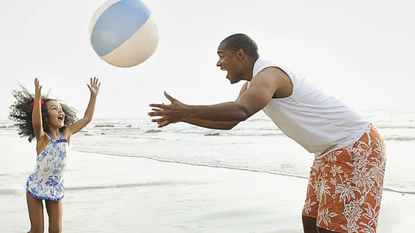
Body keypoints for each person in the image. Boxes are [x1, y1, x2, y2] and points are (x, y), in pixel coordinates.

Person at [148, 33, 386, 233]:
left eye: (222, 56)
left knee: (334, 228)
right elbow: (230, 121)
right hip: (328, 153)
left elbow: (241, 111)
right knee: (311, 221)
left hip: (355, 146)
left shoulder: (269, 75)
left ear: (240, 54)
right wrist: (183, 117)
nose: (219, 64)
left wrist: (186, 109)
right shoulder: (252, 85)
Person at [9, 77, 100, 233]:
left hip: (54, 187)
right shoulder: (43, 138)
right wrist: (38, 99)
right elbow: (36, 123)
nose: (60, 111)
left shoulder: (67, 134)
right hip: (36, 186)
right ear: (46, 117)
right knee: (37, 230)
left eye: (61, 109)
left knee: (56, 231)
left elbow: (87, 118)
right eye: (54, 109)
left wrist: (94, 96)